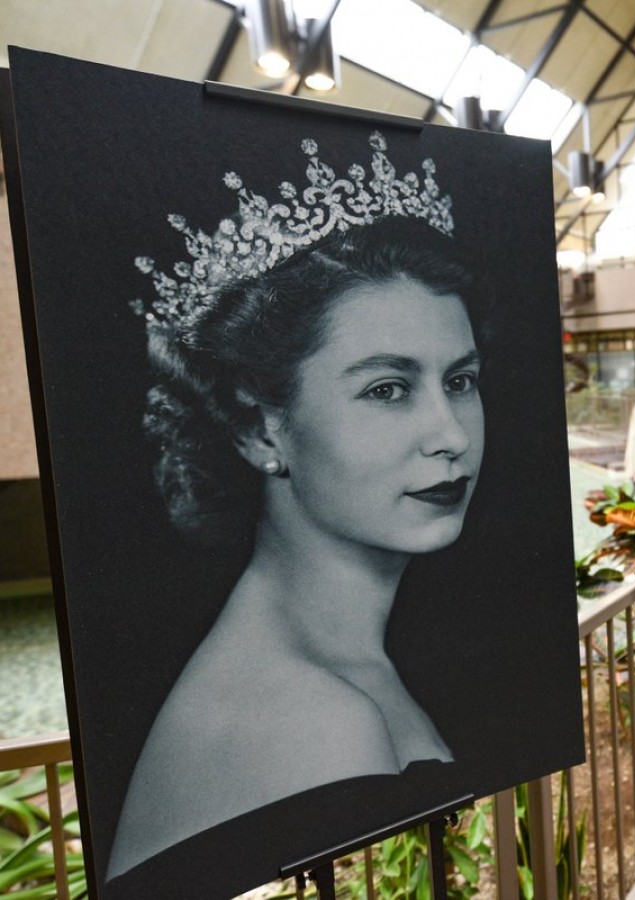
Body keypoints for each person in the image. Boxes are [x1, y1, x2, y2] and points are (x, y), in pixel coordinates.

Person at [106, 133, 486, 880]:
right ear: (259, 427)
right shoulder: (313, 723)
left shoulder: (323, 663)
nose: (450, 436)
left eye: (462, 381)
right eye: (387, 388)